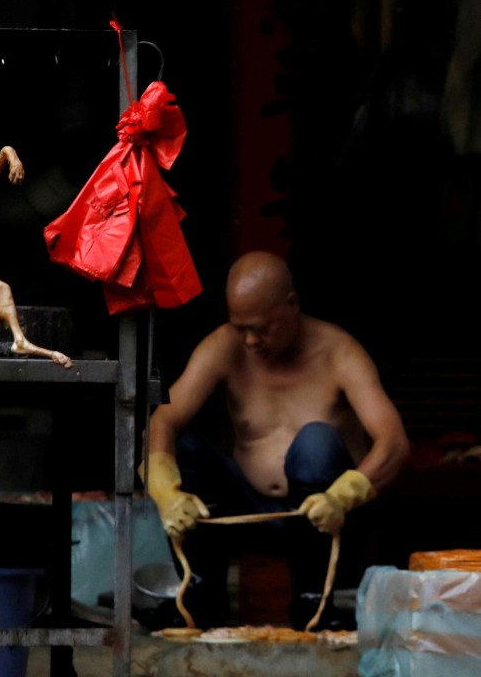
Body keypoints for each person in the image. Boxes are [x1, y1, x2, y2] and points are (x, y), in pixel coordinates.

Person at [139, 250, 410, 630]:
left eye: (262, 327)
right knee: (184, 451)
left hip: (325, 517)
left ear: (292, 305)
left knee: (316, 441)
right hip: (246, 510)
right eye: (240, 327)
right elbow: (164, 419)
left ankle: (314, 599)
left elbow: (394, 442)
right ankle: (200, 596)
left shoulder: (338, 351)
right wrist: (165, 488)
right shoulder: (226, 346)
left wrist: (343, 495)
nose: (250, 340)